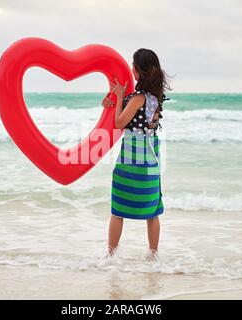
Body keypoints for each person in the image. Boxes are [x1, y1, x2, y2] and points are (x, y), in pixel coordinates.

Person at [102, 48, 171, 259]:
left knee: (118, 209)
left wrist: (120, 96)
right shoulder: (155, 98)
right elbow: (135, 118)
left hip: (132, 157)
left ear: (138, 71)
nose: (131, 69)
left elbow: (119, 123)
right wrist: (113, 103)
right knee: (152, 209)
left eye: (133, 65)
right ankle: (153, 255)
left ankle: (111, 256)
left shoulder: (138, 98)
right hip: (150, 158)